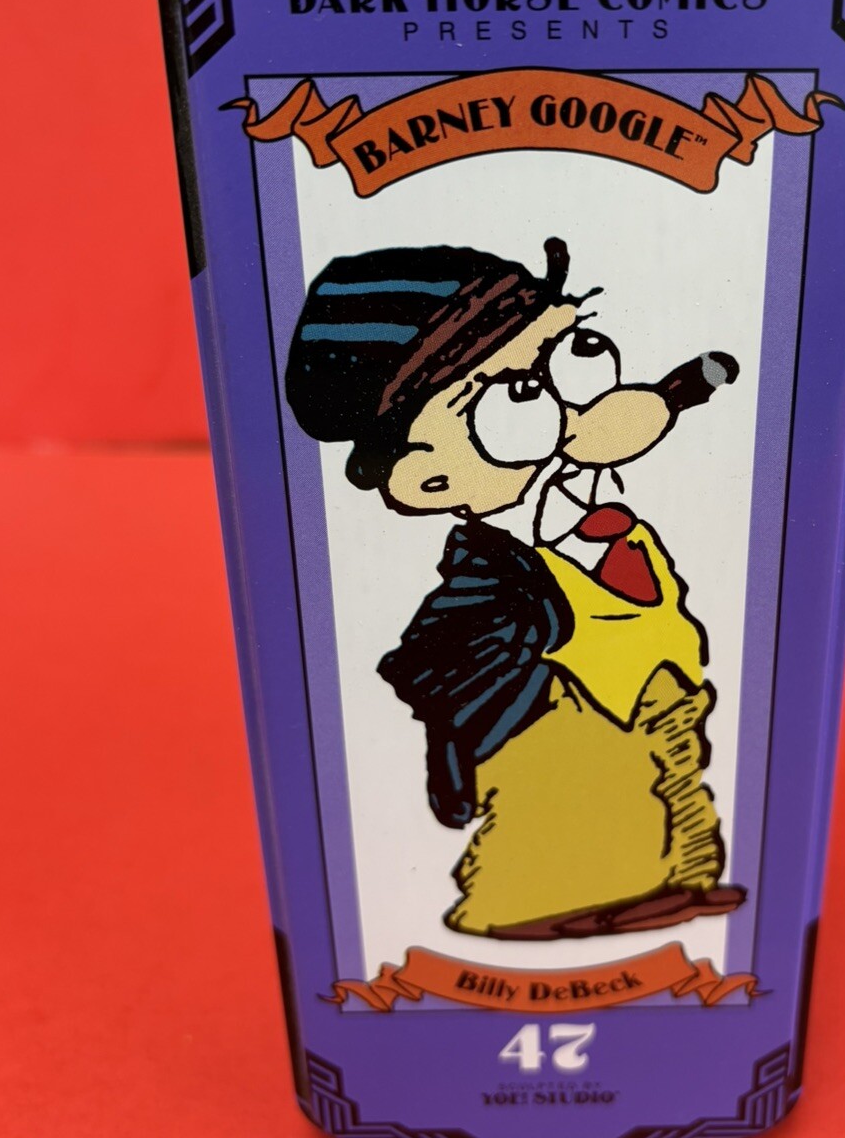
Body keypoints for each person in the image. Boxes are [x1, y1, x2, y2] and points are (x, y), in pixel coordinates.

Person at [286, 237, 745, 939]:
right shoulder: (495, 579)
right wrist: (512, 721)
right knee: (578, 792)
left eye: (577, 353)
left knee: (664, 767)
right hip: (556, 746)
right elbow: (441, 664)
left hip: (656, 714)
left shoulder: (596, 525)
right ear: (429, 479)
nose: (580, 412)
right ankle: (532, 905)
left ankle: (680, 872)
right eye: (523, 394)